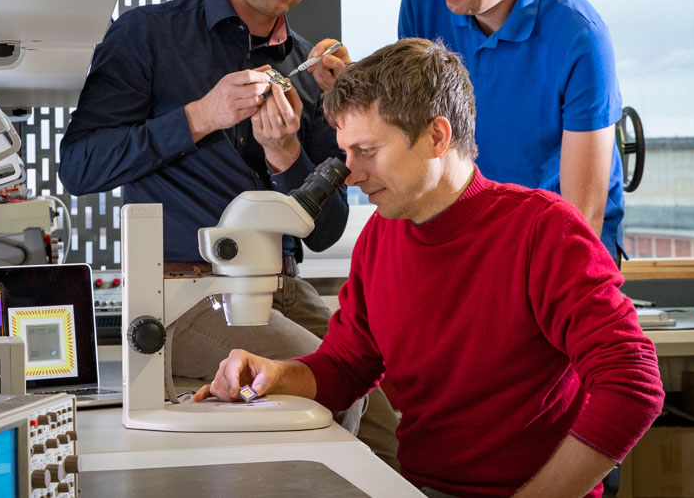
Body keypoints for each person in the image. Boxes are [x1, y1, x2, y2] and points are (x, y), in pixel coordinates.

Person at [194, 39, 664, 498]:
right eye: (347, 153)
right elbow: (345, 367)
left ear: (437, 136)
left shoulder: (542, 230)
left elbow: (633, 383)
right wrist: (274, 374)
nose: (352, 175)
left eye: (368, 152)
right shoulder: (381, 236)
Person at [58, 0, 398, 467]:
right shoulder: (149, 36)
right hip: (185, 298)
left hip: (284, 288)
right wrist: (200, 115)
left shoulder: (308, 68)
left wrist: (287, 156)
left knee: (396, 414)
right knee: (336, 399)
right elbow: (79, 167)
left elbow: (324, 231)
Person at [398, 0, 626, 263]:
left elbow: (581, 218)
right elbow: (414, 133)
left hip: (554, 239)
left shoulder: (581, 38)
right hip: (465, 230)